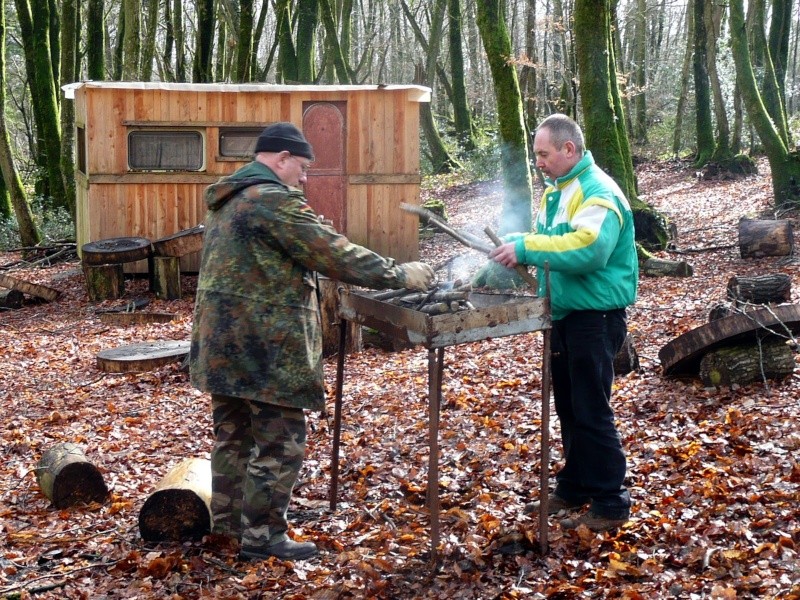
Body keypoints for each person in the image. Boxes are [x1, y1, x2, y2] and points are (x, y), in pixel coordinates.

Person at [190, 122, 434, 560]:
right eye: (301, 168)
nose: (304, 178)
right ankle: (263, 539)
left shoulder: (230, 199)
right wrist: (400, 274)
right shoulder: (273, 201)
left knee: (233, 436)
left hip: (220, 343)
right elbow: (333, 253)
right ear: (281, 159)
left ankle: (229, 527)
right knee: (279, 438)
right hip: (265, 344)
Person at [489, 113, 638, 532]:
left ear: (568, 149)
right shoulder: (556, 192)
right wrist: (520, 248)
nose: (538, 161)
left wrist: (526, 247)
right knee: (570, 408)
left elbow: (589, 249)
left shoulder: (598, 191)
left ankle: (610, 502)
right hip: (565, 315)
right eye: (536, 154)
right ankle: (575, 486)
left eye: (543, 153)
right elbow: (551, 242)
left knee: (592, 410)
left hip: (596, 315)